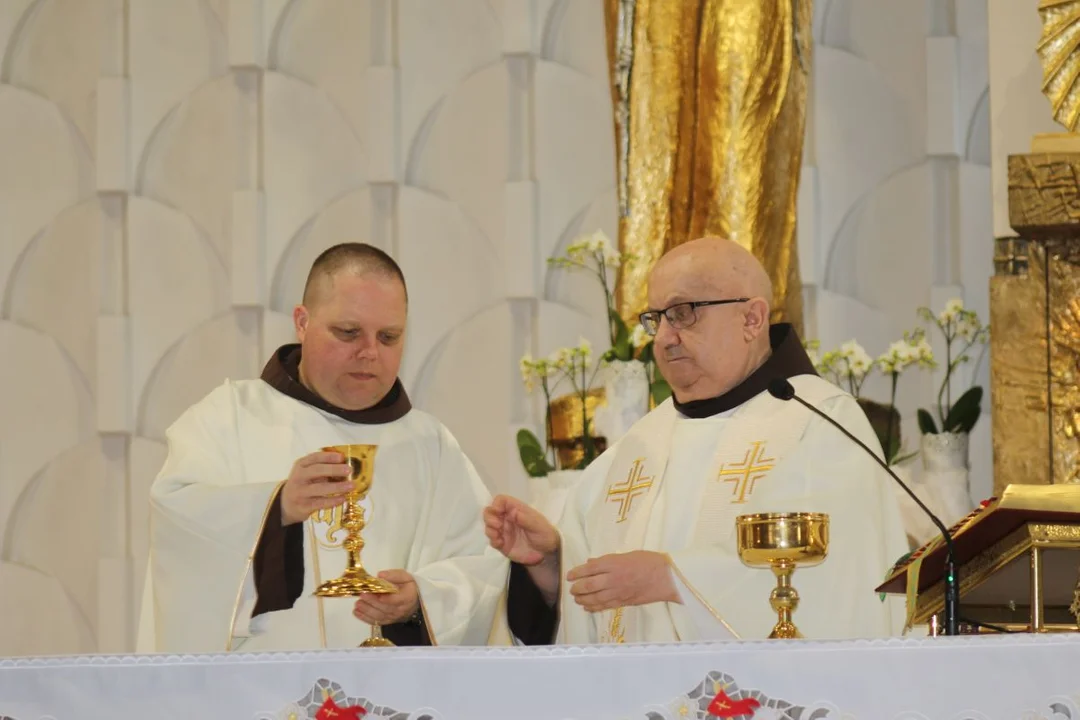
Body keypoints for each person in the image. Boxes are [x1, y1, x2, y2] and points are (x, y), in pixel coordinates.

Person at [485, 237, 908, 645]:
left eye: (683, 313)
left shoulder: (820, 422)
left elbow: (841, 581)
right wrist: (549, 566)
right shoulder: (640, 445)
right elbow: (587, 611)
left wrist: (671, 578)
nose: (663, 338)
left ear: (752, 319)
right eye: (656, 319)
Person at [140, 243, 507, 653]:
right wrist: (274, 509)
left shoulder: (432, 445)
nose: (369, 352)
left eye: (388, 337)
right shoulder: (228, 418)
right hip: (262, 685)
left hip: (389, 688)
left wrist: (421, 601)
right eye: (348, 332)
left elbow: (482, 567)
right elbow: (177, 525)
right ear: (302, 322)